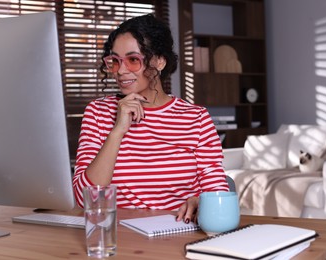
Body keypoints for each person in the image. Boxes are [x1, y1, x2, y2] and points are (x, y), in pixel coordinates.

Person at [72, 14, 229, 223]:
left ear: (160, 61)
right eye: (115, 61)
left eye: (133, 60)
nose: (121, 71)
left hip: (177, 234)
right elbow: (85, 199)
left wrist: (201, 201)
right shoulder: (98, 112)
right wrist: (117, 131)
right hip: (118, 239)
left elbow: (217, 193)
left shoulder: (196, 118)